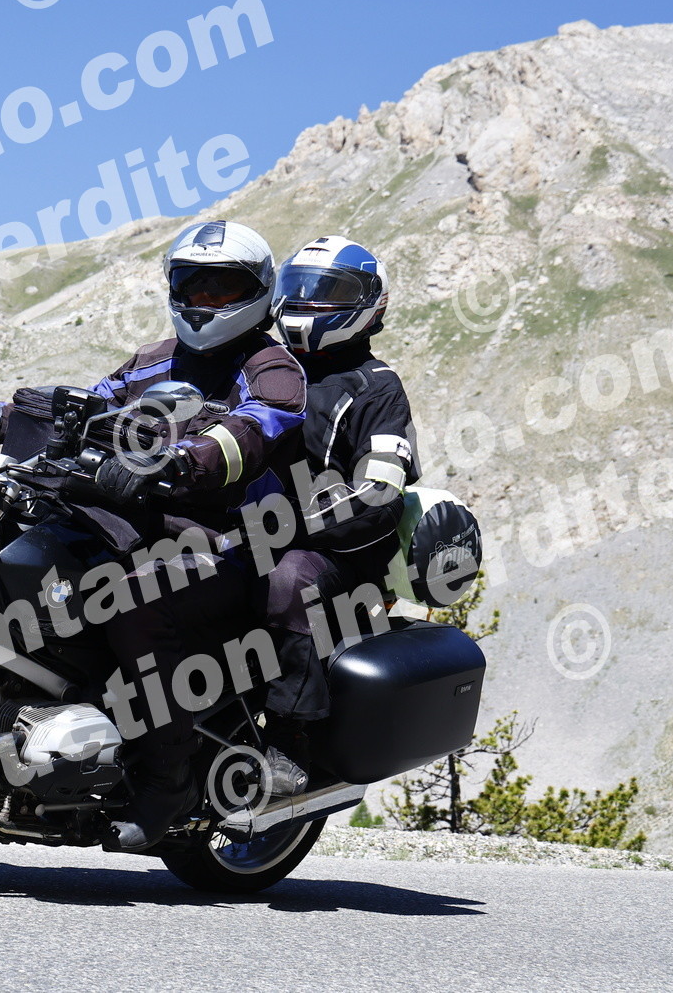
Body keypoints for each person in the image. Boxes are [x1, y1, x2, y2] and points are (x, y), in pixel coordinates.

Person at [82, 219, 307, 851]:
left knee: (134, 598)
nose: (203, 301)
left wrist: (185, 461)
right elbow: (92, 404)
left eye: (221, 288)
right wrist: (9, 420)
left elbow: (258, 428)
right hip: (140, 531)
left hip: (229, 545)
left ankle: (168, 778)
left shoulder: (271, 367)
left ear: (256, 292)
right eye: (192, 286)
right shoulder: (153, 361)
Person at [258, 235, 421, 791]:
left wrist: (290, 526)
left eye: (327, 293)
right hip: (247, 532)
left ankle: (289, 739)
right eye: (300, 289)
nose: (308, 303)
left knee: (289, 581)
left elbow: (379, 493)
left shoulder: (377, 388)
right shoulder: (265, 368)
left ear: (369, 304)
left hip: (340, 551)